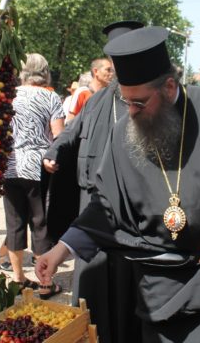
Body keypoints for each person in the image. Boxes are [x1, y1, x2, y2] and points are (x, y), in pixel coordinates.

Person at [37, 26, 200, 342]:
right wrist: (59, 251)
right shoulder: (124, 131)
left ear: (169, 87)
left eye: (138, 103)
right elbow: (106, 206)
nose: (130, 112)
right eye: (125, 101)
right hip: (154, 287)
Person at [42, 20, 143, 343]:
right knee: (92, 289)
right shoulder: (97, 101)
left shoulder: (148, 101)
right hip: (90, 204)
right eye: (114, 61)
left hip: (130, 210)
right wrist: (54, 150)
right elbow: (70, 133)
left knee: (127, 294)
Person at [3, 53, 65, 297]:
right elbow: (59, 136)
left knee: (14, 223)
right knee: (41, 225)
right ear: (45, 72)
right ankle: (45, 283)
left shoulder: (9, 95)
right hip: (39, 168)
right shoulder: (50, 97)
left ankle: (18, 278)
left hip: (10, 165)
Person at [65, 58, 114, 123]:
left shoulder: (111, 94)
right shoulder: (82, 92)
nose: (111, 74)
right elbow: (70, 121)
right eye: (108, 70)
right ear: (96, 71)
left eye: (112, 70)